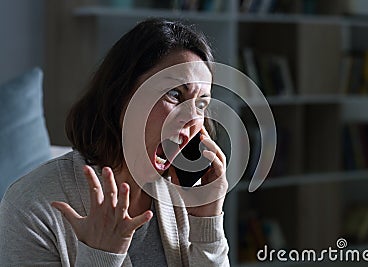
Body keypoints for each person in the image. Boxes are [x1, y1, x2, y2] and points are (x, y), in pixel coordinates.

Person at [0, 19, 229, 266]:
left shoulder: (184, 196)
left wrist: (208, 222)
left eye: (201, 104)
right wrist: (101, 256)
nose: (193, 119)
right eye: (175, 94)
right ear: (121, 95)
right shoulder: (30, 206)